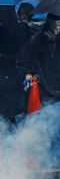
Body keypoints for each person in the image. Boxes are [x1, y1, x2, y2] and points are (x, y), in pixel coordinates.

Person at [0, 5, 31, 151]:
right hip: (2, 81)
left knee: (16, 124)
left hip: (16, 83)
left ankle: (18, 160)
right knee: (4, 125)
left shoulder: (21, 29)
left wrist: (3, 58)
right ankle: (7, 161)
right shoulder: (2, 29)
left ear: (6, 11)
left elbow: (24, 57)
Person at [21, 13, 60, 166]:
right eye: (56, 21)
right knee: (48, 128)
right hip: (45, 89)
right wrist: (29, 75)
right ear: (49, 22)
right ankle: (50, 163)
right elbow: (25, 62)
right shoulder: (37, 40)